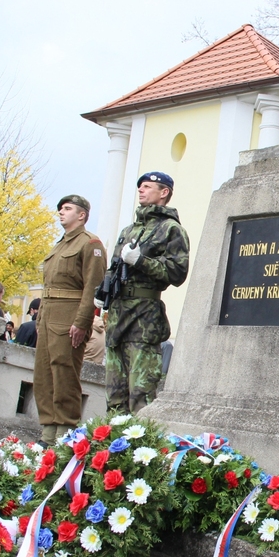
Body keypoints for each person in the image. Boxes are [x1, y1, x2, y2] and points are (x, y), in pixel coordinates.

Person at [103, 172, 189, 415]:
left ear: (164, 193)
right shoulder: (129, 230)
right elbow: (114, 267)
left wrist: (141, 261)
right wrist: (103, 291)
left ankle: (139, 448)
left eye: (148, 186)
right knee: (114, 392)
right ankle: (112, 446)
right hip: (118, 316)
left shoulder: (171, 230)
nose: (141, 190)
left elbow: (177, 272)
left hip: (144, 319)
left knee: (140, 393)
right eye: (140, 186)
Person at [33, 196, 107, 447]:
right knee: (44, 373)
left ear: (82, 215)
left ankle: (64, 429)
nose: (60, 213)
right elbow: (49, 287)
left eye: (67, 209)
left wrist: (83, 321)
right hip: (49, 314)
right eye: (60, 209)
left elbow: (93, 287)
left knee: (64, 371)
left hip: (70, 315)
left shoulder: (90, 244)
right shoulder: (59, 246)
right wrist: (40, 315)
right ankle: (47, 430)